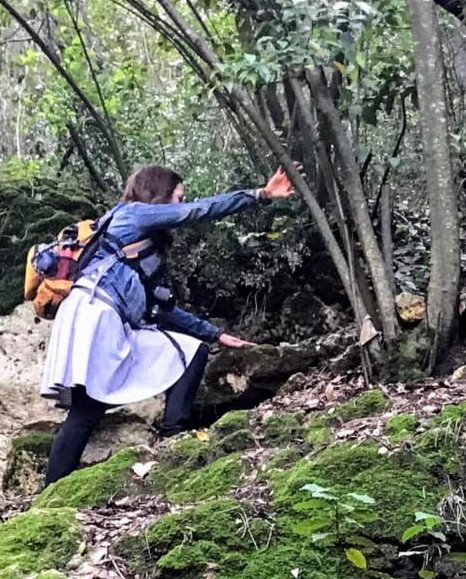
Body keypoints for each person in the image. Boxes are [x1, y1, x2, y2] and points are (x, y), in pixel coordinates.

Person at [39, 161, 295, 486]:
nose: (180, 204)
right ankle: (173, 436)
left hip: (93, 314)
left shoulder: (140, 248)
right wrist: (259, 194)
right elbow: (197, 212)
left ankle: (51, 494)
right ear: (159, 194)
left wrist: (217, 334)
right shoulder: (134, 214)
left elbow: (161, 309)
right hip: (97, 313)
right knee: (89, 409)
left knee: (92, 407)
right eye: (177, 197)